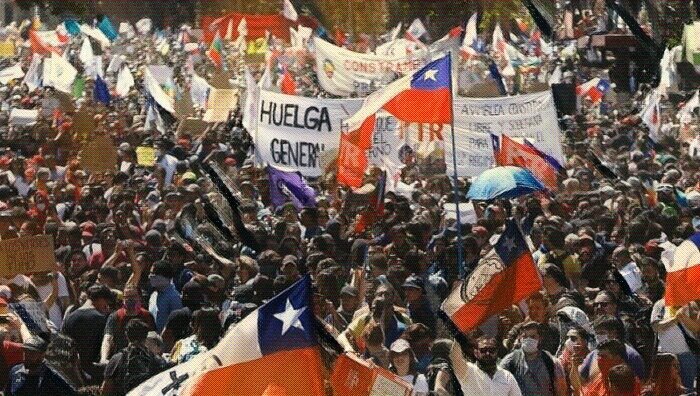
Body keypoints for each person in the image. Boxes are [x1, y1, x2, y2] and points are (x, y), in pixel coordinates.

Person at [101, 320, 171, 396]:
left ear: (126, 335)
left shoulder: (117, 359)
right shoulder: (156, 360)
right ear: (146, 336)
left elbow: (106, 389)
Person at [62, 284, 113, 384]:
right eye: (106, 302)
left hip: (73, 372)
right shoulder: (100, 318)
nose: (106, 306)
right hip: (93, 373)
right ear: (101, 299)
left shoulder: (70, 316)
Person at [500, 321, 568, 396]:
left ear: (540, 338)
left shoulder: (551, 361)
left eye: (533, 337)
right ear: (520, 338)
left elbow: (561, 390)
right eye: (525, 337)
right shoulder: (510, 362)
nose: (528, 340)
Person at [450, 336, 522, 396]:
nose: (488, 353)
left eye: (492, 350)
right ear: (476, 353)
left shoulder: (507, 376)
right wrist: (459, 336)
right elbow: (455, 358)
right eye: (483, 350)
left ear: (497, 352)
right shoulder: (468, 371)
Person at [147, 260, 183, 333]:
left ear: (165, 276)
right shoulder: (153, 295)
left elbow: (177, 323)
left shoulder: (174, 297)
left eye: (154, 273)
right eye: (150, 273)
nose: (150, 276)